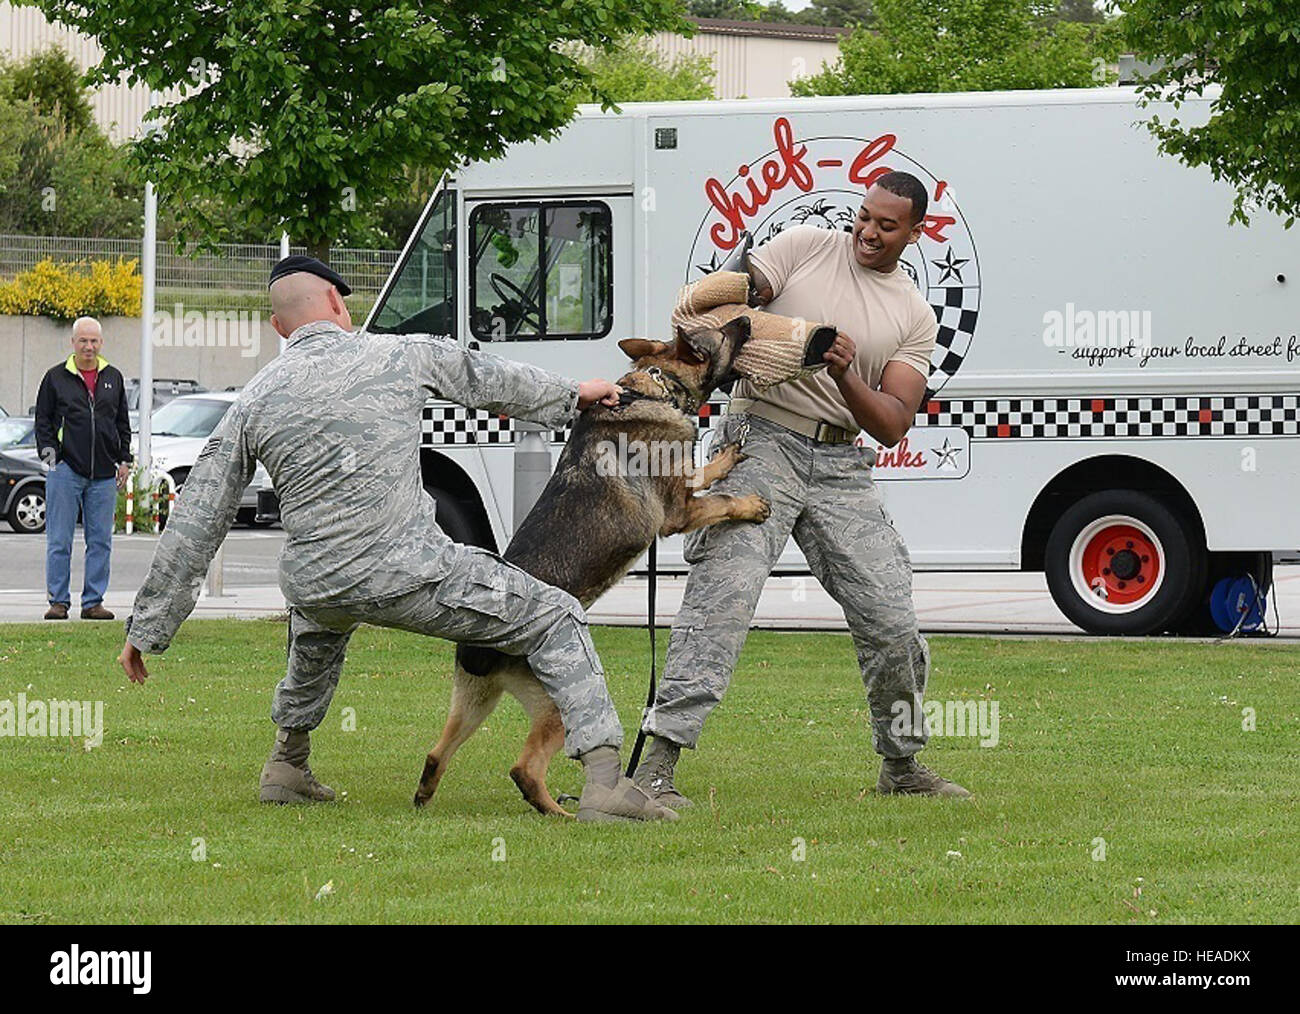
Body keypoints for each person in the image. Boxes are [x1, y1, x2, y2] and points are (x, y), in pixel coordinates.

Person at [117, 256, 675, 822]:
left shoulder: (253, 399)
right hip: (408, 570)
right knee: (555, 613)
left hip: (316, 581)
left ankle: (286, 765)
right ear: (338, 303)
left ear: (278, 326)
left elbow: (197, 516)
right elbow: (489, 378)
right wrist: (575, 394)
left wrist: (148, 627)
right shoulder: (398, 353)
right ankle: (605, 782)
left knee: (316, 631)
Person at [633, 172, 972, 803]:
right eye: (864, 217)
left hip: (842, 463)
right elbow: (746, 287)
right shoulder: (805, 246)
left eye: (886, 225)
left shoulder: (913, 313)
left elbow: (894, 423)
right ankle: (658, 765)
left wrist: (844, 374)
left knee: (892, 619)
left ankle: (902, 770)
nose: (868, 232)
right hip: (759, 438)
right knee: (722, 600)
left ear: (914, 233)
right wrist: (728, 291)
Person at [34, 316, 132, 621]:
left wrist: (124, 459)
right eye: (83, 341)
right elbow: (43, 422)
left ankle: (93, 602)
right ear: (73, 343)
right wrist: (52, 460)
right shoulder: (55, 378)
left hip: (104, 474)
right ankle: (58, 602)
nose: (88, 346)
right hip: (65, 472)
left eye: (94, 341)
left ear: (101, 343)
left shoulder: (113, 378)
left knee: (100, 541)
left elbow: (122, 423)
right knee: (59, 540)